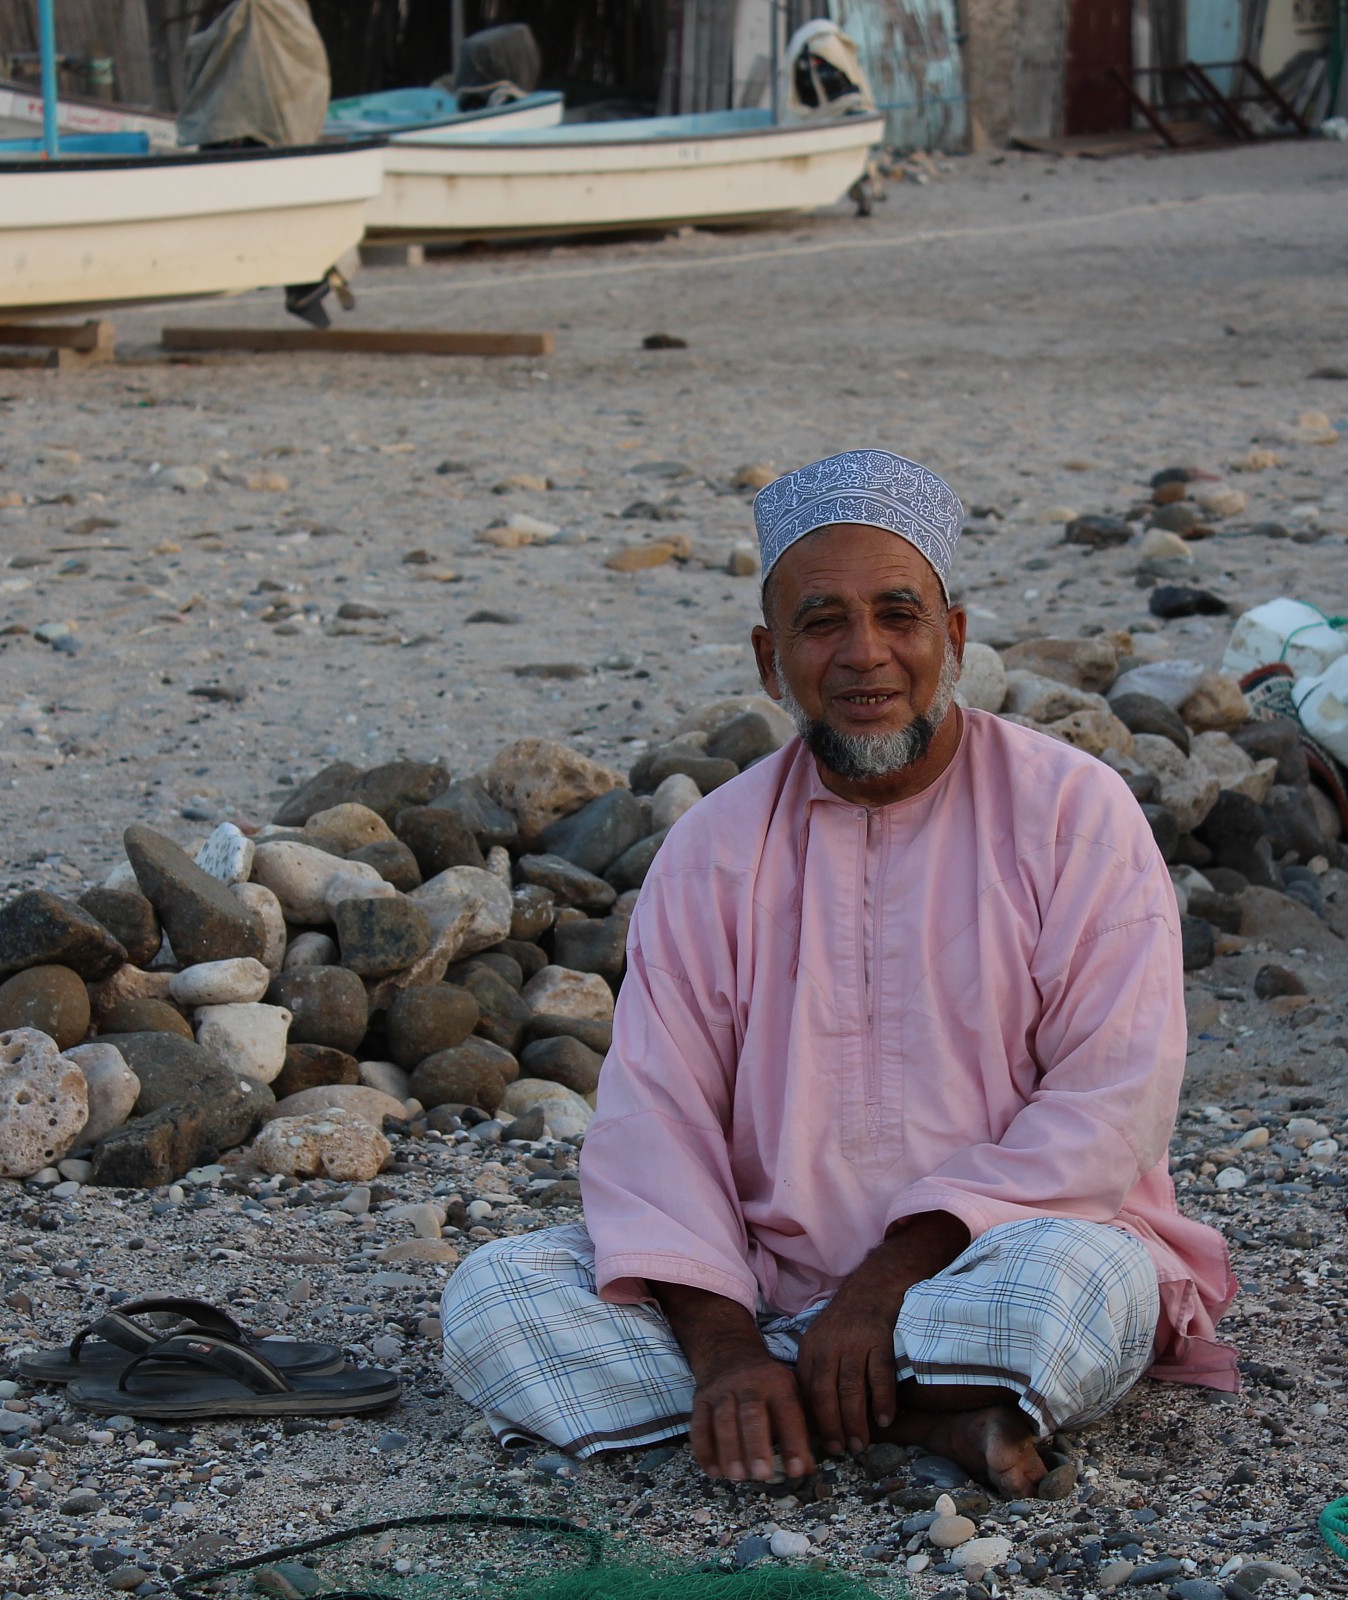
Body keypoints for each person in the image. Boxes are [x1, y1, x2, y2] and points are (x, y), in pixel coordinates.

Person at [440, 449, 1237, 1496]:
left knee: (1085, 1284)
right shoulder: (713, 848)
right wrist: (723, 1340)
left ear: (951, 636)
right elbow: (655, 1121)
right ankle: (910, 1414)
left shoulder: (1073, 813)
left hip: (984, 1266)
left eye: (898, 616)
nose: (866, 655)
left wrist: (886, 1282)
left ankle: (784, 1406)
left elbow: (1111, 1104)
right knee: (496, 1295)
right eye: (824, 623)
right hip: (761, 1285)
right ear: (772, 660)